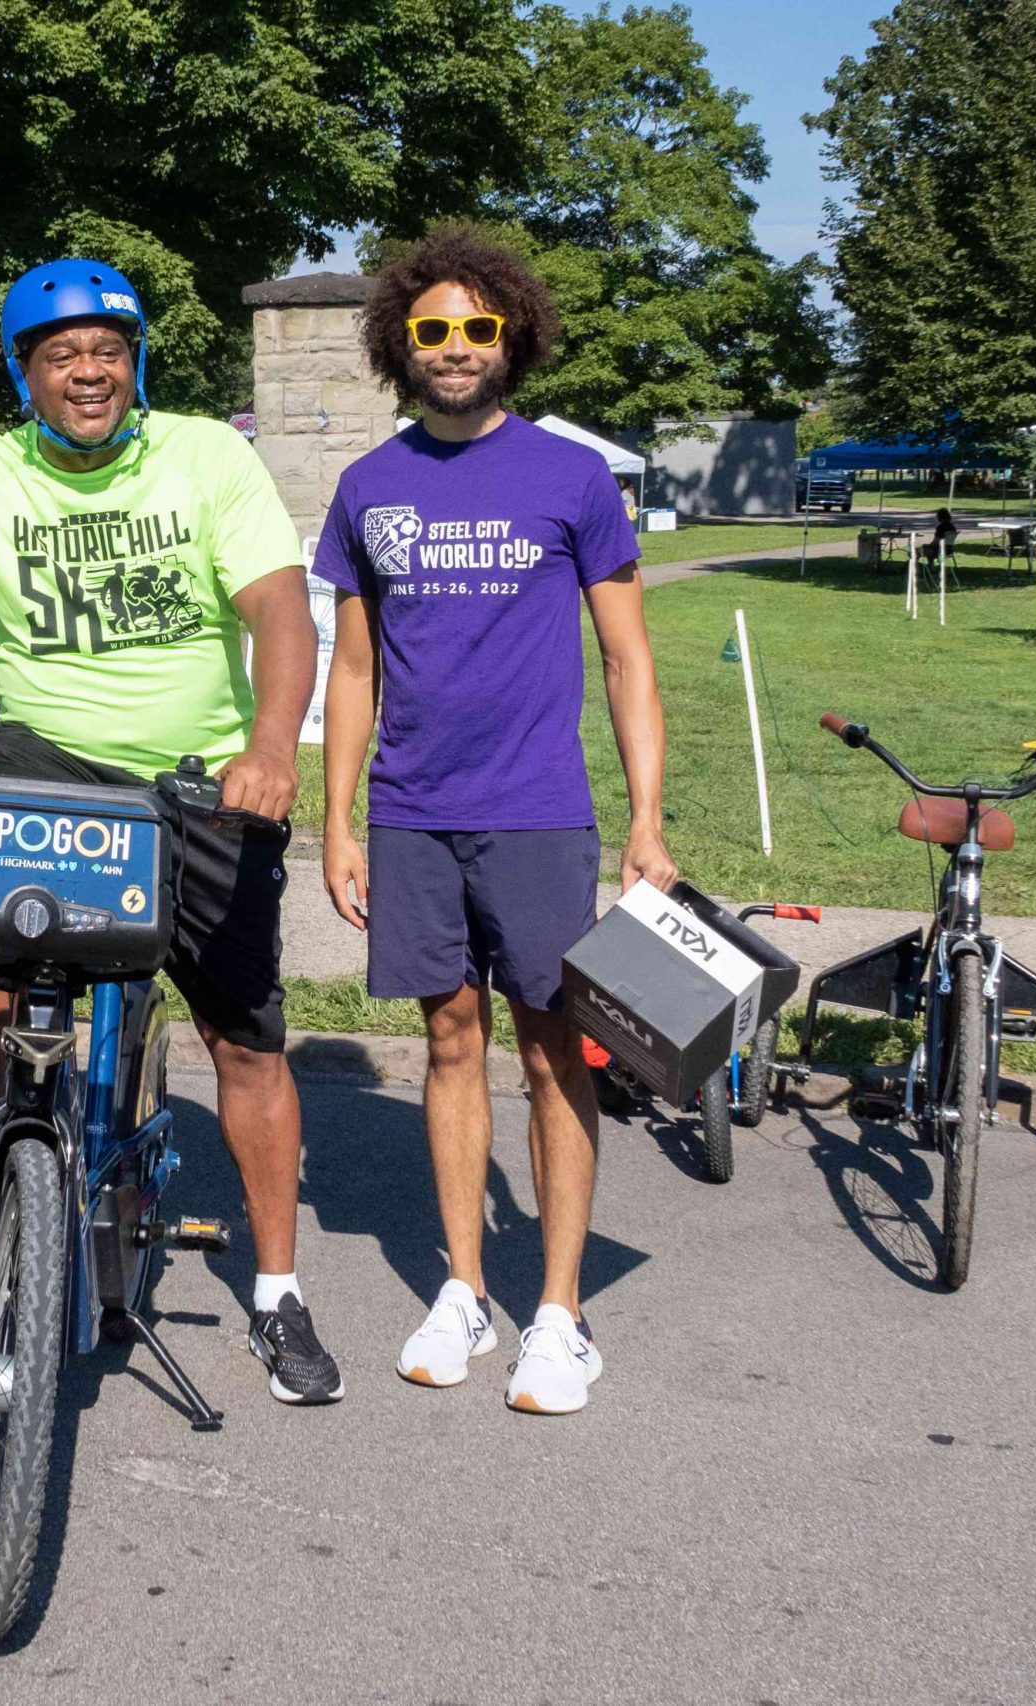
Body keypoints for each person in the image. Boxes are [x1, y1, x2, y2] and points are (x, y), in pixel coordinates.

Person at [0, 259, 344, 1407]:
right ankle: (7, 1115)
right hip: (47, 755)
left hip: (201, 775)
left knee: (246, 1038)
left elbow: (272, 603)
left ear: (135, 359)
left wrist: (269, 746)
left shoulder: (206, 454)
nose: (88, 368)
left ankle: (276, 1289)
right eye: (61, 353)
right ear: (26, 373)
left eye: (107, 347)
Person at [313, 228, 676, 1417]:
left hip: (536, 815)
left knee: (550, 1046)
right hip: (414, 815)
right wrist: (340, 820)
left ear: (510, 334)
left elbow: (628, 661)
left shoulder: (570, 477)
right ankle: (465, 1287)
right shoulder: (369, 485)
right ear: (398, 344)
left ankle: (561, 1313)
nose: (456, 346)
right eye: (432, 328)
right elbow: (354, 671)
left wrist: (646, 825)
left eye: (477, 326)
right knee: (449, 1040)